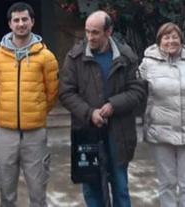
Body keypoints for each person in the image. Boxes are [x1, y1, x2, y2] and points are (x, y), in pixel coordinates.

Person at [59, 10, 146, 207]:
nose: (90, 37)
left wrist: (114, 105)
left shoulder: (126, 56)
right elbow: (66, 93)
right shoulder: (75, 57)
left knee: (120, 187)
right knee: (91, 188)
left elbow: (138, 91)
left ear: (109, 32)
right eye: (87, 32)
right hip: (87, 131)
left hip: (119, 132)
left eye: (96, 32)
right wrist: (90, 112)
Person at [0, 2, 59, 207]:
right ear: (9, 24)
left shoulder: (46, 57)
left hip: (35, 133)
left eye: (24, 19)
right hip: (5, 132)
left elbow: (52, 92)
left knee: (38, 193)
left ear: (32, 22)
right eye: (16, 20)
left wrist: (36, 111)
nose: (21, 24)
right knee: (6, 193)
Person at [139, 22, 185, 207]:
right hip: (160, 130)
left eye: (175, 37)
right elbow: (138, 93)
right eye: (166, 37)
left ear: (181, 40)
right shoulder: (147, 64)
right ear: (159, 41)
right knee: (166, 183)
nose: (170, 41)